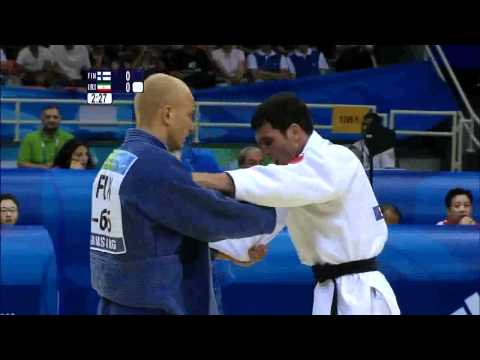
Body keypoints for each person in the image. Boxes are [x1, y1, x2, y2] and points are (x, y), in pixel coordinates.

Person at [193, 92, 400, 315]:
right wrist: (234, 251)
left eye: (268, 142)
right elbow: (260, 225)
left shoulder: (335, 158)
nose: (265, 153)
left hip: (358, 295)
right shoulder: (296, 181)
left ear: (294, 132)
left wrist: (207, 179)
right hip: (334, 290)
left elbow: (283, 183)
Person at [90, 73, 280, 315]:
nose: (192, 126)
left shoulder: (118, 159)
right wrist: (276, 213)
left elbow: (149, 238)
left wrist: (224, 253)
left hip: (117, 301)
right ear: (168, 114)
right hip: (148, 308)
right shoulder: (152, 164)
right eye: (190, 115)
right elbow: (213, 216)